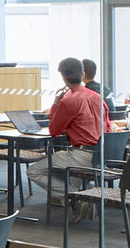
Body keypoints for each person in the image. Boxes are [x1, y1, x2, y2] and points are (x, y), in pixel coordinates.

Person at [27, 57, 109, 204]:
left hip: (81, 155)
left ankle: (77, 197)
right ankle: (83, 196)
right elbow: (107, 128)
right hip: (103, 155)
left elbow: (54, 131)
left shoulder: (68, 100)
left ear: (63, 77)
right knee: (67, 170)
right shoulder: (98, 97)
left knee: (34, 171)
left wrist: (56, 103)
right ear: (83, 74)